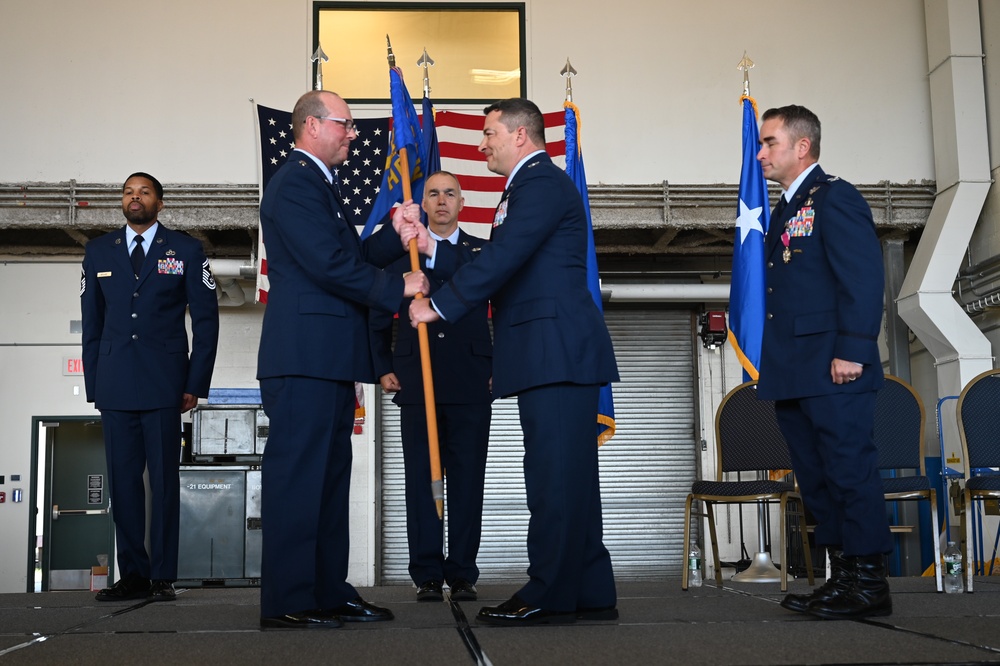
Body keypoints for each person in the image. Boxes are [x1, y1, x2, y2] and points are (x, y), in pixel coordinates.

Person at [409, 98, 619, 626]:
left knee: (553, 476)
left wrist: (439, 304)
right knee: (569, 477)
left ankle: (549, 590)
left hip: (555, 350)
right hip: (550, 351)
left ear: (521, 135)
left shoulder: (541, 184)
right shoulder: (528, 186)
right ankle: (589, 588)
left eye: (489, 134)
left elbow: (504, 257)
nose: (482, 144)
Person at [256, 90, 430, 630]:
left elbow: (348, 256)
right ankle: (288, 599)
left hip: (326, 357)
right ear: (310, 126)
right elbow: (328, 265)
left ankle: (327, 590)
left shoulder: (318, 185)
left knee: (329, 482)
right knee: (298, 480)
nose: (355, 135)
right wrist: (398, 283)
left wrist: (390, 237)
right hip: (303, 356)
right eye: (345, 125)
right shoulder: (294, 184)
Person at [755, 105, 892, 619]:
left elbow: (862, 278)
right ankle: (843, 578)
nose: (761, 152)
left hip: (835, 365)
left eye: (769, 143)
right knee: (816, 477)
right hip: (796, 368)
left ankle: (869, 582)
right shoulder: (786, 208)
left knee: (848, 471)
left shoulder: (834, 197)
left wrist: (853, 349)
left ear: (801, 147)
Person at [81, 172, 220, 602]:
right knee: (123, 484)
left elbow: (206, 321)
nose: (134, 197)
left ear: (160, 203)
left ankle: (163, 575)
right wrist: (94, 385)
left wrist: (196, 382)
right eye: (128, 192)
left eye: (143, 192)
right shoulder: (98, 250)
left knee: (163, 481)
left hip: (166, 385)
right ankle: (134, 574)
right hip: (116, 384)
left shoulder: (186, 249)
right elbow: (92, 324)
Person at [370, 171, 492, 603]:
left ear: (463, 203)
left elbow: (499, 306)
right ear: (422, 204)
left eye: (450, 194)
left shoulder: (483, 252)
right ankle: (425, 572)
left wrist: (499, 366)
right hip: (416, 380)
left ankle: (462, 573)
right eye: (433, 194)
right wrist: (382, 365)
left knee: (467, 480)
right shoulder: (399, 257)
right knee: (422, 479)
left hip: (471, 379)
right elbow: (377, 315)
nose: (441, 201)